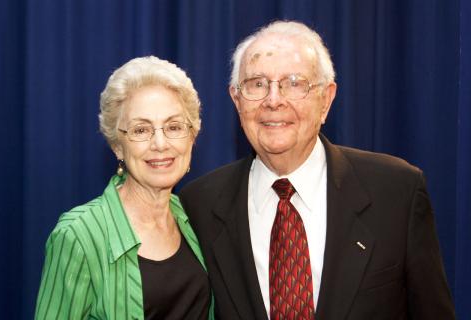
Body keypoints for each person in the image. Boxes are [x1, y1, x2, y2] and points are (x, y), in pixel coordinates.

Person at [179, 21, 455, 319]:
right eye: (257, 84)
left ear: (326, 99)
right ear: (236, 100)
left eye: (294, 83)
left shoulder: (397, 192)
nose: (273, 100)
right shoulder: (199, 205)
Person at [35, 56, 214, 319]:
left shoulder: (196, 217)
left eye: (174, 126)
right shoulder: (78, 235)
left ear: (192, 136)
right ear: (117, 145)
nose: (161, 143)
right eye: (141, 130)